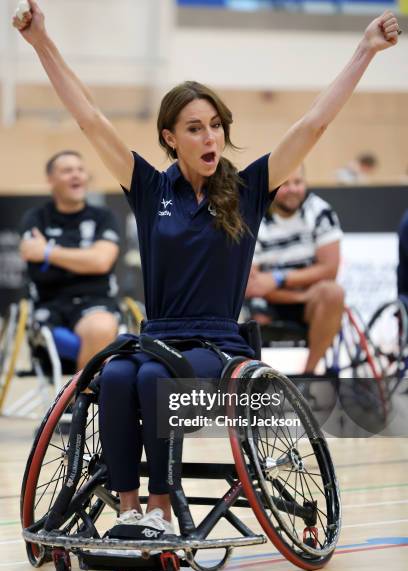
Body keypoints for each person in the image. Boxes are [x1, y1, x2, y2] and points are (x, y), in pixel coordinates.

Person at [13, 1, 401, 537]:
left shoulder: (247, 190)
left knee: (149, 376)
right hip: (159, 337)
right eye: (195, 128)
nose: (210, 137)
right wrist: (42, 44)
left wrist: (365, 51)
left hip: (220, 349)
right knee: (120, 373)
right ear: (170, 138)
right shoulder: (151, 189)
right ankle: (130, 513)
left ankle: (161, 510)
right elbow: (90, 119)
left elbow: (314, 124)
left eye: (216, 126)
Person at [20, 150, 121, 370]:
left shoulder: (104, 217)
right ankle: (80, 399)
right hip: (50, 306)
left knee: (102, 327)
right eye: (67, 171)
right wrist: (83, 259)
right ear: (50, 180)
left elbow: (101, 262)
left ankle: (79, 401)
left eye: (80, 169)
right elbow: (33, 259)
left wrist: (47, 252)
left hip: (95, 303)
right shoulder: (36, 218)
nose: (76, 175)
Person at [246, 165, 344, 373]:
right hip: (269, 300)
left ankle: (309, 374)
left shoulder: (320, 212)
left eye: (298, 183)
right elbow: (252, 285)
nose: (293, 189)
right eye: (285, 184)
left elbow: (329, 269)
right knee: (252, 312)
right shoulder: (254, 215)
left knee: (333, 293)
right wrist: (299, 295)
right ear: (273, 186)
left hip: (309, 301)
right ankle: (259, 378)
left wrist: (280, 278)